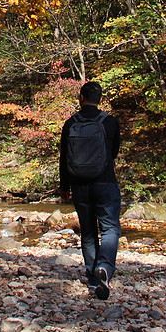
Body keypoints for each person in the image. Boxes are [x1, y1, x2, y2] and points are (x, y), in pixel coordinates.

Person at [59, 80, 121, 300]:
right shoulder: (110, 122)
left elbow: (64, 157)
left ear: (81, 98)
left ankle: (94, 279)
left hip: (79, 184)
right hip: (105, 181)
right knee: (110, 228)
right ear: (100, 100)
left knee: (88, 231)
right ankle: (104, 267)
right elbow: (113, 152)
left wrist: (64, 186)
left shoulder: (70, 123)